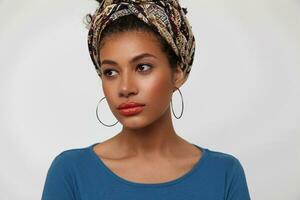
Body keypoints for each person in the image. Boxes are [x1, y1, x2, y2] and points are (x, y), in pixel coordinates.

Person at [41, 0, 251, 199]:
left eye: (142, 67)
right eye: (111, 72)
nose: (125, 88)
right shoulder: (71, 173)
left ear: (177, 72)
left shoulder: (223, 174)